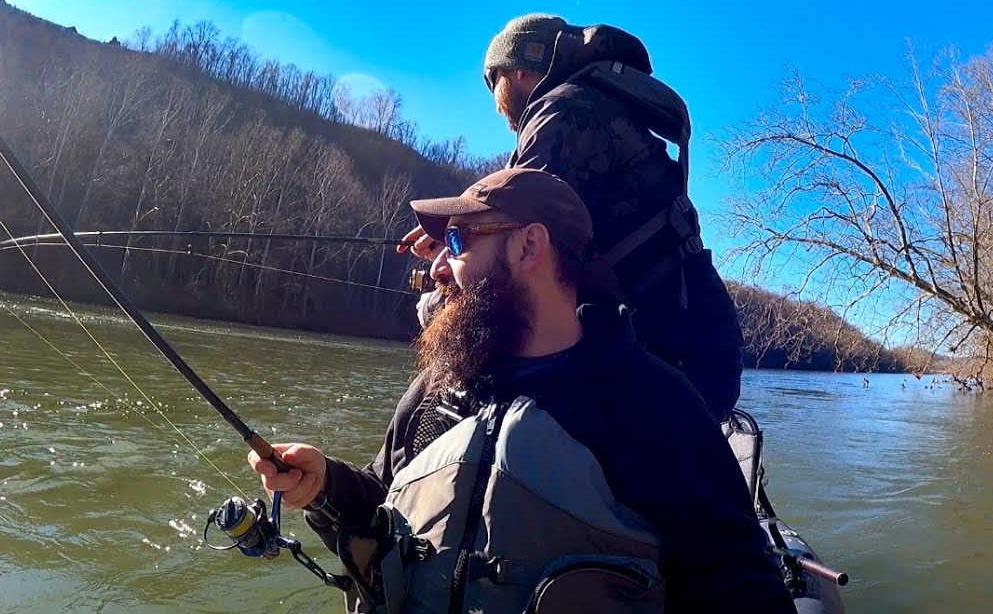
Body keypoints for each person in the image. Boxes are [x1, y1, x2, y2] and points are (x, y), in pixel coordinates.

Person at [253, 167, 796, 614]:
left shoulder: (656, 407)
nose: (438, 267)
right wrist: (326, 486)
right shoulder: (435, 390)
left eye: (458, 240)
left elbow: (744, 591)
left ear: (528, 246)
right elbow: (385, 505)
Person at [403, 14, 744, 422]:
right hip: (692, 346)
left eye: (494, 83)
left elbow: (519, 251)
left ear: (520, 70)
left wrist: (445, 305)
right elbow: (524, 223)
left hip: (671, 364)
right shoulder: (593, 105)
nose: (496, 104)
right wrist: (455, 236)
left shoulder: (562, 110)